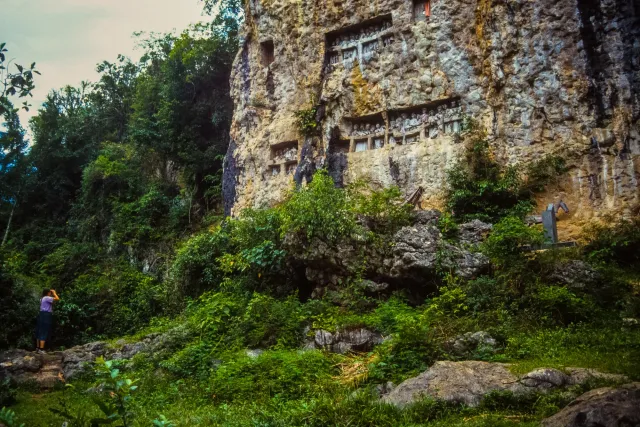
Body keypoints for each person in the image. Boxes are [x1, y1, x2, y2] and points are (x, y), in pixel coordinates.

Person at [36, 289, 60, 353]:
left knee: (40, 330)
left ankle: (38, 348)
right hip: (46, 315)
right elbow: (57, 298)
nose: (51, 293)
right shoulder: (47, 298)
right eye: (50, 292)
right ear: (48, 293)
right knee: (44, 330)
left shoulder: (42, 298)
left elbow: (52, 302)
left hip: (41, 314)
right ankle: (41, 349)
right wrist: (54, 293)